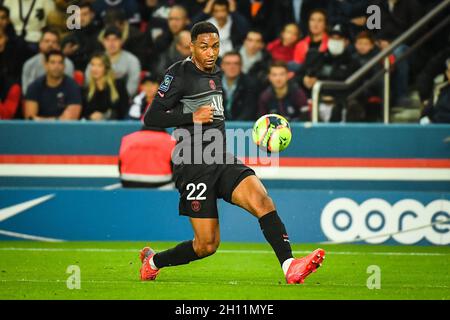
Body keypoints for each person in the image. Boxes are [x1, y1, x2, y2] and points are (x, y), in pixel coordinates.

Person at [140, 21, 325, 284]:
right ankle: (154, 261)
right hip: (193, 164)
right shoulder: (178, 74)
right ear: (191, 46)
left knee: (263, 201)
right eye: (204, 47)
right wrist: (192, 116)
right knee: (207, 245)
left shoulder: (215, 74)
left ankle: (290, 266)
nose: (210, 53)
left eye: (215, 46)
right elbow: (152, 117)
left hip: (222, 158)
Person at [24, 50, 82, 120]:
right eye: (52, 62)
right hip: (39, 129)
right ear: (46, 65)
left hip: (64, 130)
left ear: (64, 66)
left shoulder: (73, 87)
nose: (56, 66)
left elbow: (71, 119)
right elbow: (30, 119)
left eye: (60, 63)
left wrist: (40, 120)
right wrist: (57, 119)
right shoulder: (34, 87)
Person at [87, 25, 141, 97]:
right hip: (97, 98)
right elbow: (88, 80)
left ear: (121, 41)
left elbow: (132, 87)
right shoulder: (96, 59)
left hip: (123, 100)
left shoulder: (132, 60)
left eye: (115, 39)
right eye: (107, 40)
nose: (111, 43)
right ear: (103, 42)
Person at [22, 28, 75, 95]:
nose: (50, 44)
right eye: (47, 41)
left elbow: (69, 90)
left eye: (54, 42)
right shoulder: (29, 64)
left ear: (58, 46)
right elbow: (26, 91)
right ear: (40, 44)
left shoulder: (67, 64)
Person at [82, 53, 129, 120]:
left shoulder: (118, 85)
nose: (95, 69)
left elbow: (124, 110)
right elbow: (82, 114)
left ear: (106, 68)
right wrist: (90, 117)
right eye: (93, 65)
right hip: (92, 126)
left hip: (114, 126)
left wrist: (106, 116)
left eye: (99, 65)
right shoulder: (86, 89)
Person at [61, 1, 102, 71]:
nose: (81, 18)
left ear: (92, 15)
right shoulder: (69, 38)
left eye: (85, 14)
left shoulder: (101, 36)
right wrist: (65, 53)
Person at [220, 51, 258, 120]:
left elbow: (249, 110)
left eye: (236, 64)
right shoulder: (212, 84)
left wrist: (235, 128)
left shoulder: (251, 84)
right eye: (228, 64)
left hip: (242, 127)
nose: (232, 67)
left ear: (241, 66)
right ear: (222, 66)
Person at [420, 58, 450, 124]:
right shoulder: (439, 90)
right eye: (449, 71)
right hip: (437, 128)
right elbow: (426, 113)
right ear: (447, 73)